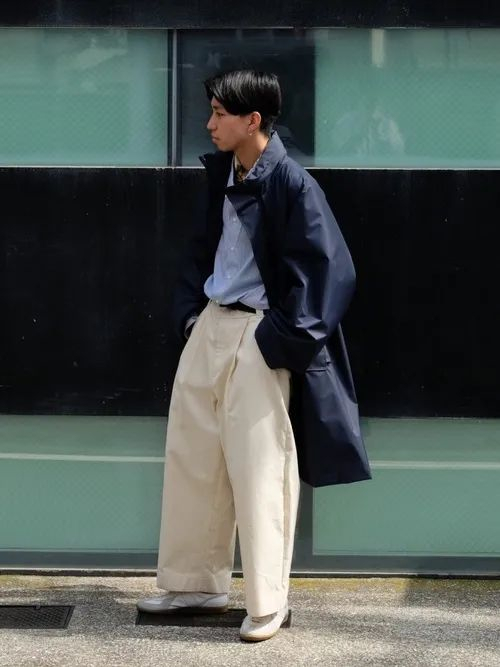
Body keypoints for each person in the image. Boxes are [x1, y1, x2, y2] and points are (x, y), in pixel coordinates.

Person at [137, 70, 371, 642]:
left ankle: (268, 601)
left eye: (220, 114)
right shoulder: (223, 173)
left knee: (261, 468)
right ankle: (195, 583)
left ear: (253, 120)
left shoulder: (292, 183)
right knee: (192, 457)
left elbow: (332, 272)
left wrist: (278, 342)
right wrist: (192, 317)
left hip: (258, 334)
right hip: (210, 325)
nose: (209, 124)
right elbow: (202, 251)